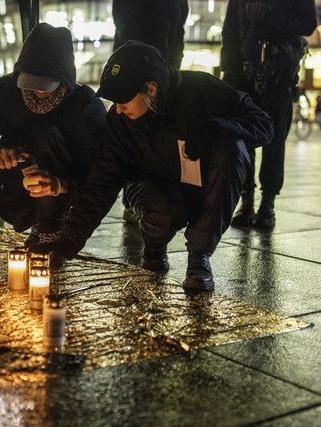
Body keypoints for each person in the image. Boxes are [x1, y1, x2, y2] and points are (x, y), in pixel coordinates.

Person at [31, 41, 273, 292]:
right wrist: (65, 246)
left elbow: (264, 125)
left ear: (151, 89)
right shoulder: (120, 121)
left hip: (204, 183)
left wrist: (217, 128)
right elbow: (102, 183)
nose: (119, 110)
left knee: (232, 149)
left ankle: (199, 258)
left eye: (124, 101)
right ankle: (155, 245)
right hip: (153, 187)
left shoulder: (202, 89)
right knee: (163, 210)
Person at [0, 23, 107, 247]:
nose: (37, 91)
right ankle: (36, 216)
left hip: (60, 182)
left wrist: (61, 186)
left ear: (64, 78)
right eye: (30, 82)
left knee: (45, 134)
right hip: (15, 176)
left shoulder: (85, 106)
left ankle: (50, 222)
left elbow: (96, 170)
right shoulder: (6, 89)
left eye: (45, 85)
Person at [222, 0, 317, 228]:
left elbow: (308, 24)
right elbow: (231, 30)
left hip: (280, 75)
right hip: (244, 75)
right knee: (244, 138)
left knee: (275, 141)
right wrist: (228, 72)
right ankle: (246, 200)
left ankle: (268, 202)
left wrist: (267, 13)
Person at [112, 0, 189, 223]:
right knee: (133, 132)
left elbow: (177, 26)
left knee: (156, 133)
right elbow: (126, 24)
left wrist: (172, 66)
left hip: (164, 69)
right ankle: (133, 197)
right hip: (137, 70)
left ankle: (151, 194)